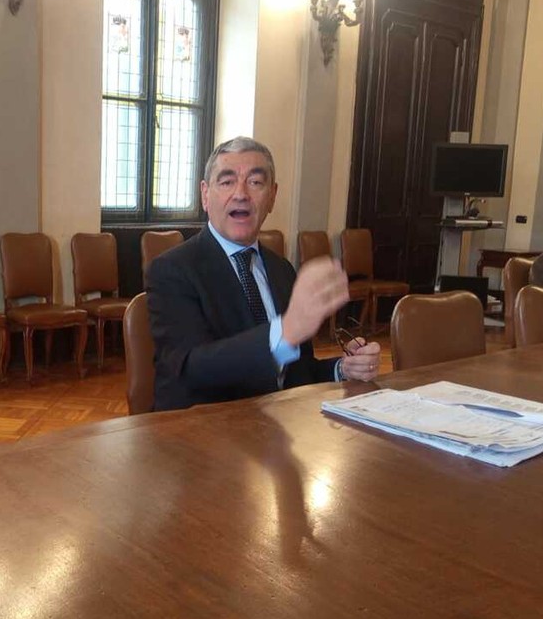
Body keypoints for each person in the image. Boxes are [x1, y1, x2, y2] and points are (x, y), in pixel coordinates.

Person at [146, 136, 381, 412]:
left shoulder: (281, 269)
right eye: (227, 181)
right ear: (205, 195)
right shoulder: (172, 269)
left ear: (272, 196)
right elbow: (191, 370)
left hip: (277, 424)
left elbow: (296, 372)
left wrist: (342, 369)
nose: (241, 194)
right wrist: (286, 330)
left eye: (256, 182)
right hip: (203, 427)